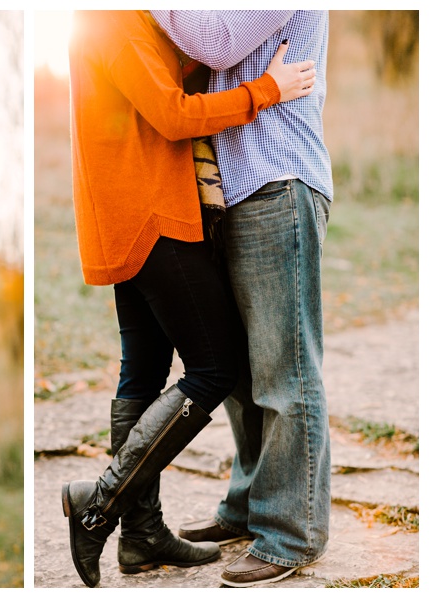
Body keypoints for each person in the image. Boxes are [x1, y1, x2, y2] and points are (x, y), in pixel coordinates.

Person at [61, 10, 316, 588]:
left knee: (142, 373)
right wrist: (266, 90)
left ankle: (141, 537)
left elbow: (164, 82)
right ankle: (99, 503)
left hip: (126, 216)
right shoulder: (117, 21)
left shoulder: (110, 23)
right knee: (215, 366)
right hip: (151, 216)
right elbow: (173, 115)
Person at [149, 10, 332, 588]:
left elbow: (214, 43)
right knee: (239, 374)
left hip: (276, 182)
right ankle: (249, 507)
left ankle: (289, 535)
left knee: (285, 368)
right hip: (229, 193)